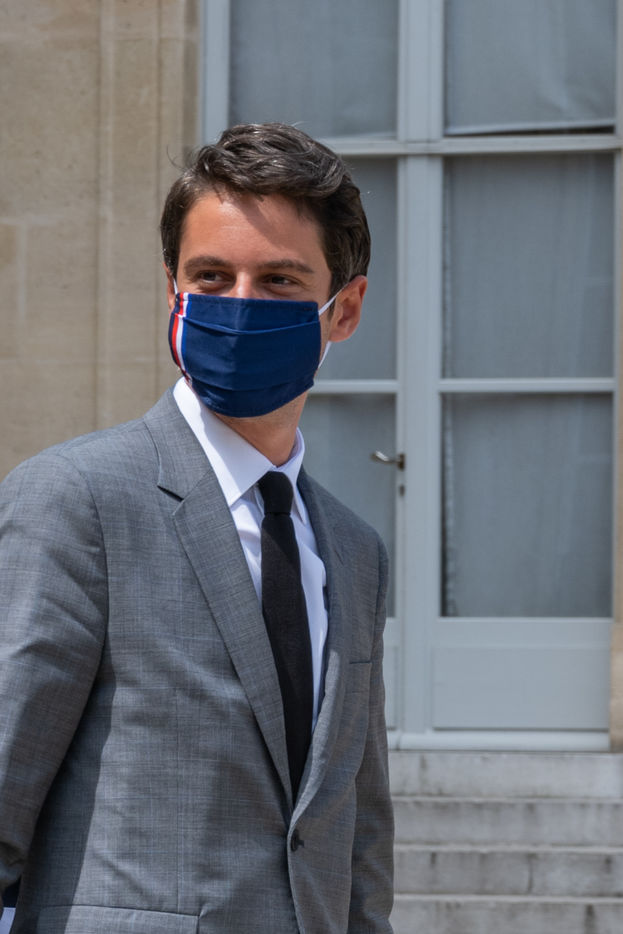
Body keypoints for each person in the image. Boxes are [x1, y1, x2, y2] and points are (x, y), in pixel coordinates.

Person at [0, 123, 394, 933]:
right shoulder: (76, 500)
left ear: (344, 309)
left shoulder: (354, 552)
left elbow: (355, 831)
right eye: (210, 276)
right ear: (172, 292)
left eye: (279, 281)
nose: (238, 305)